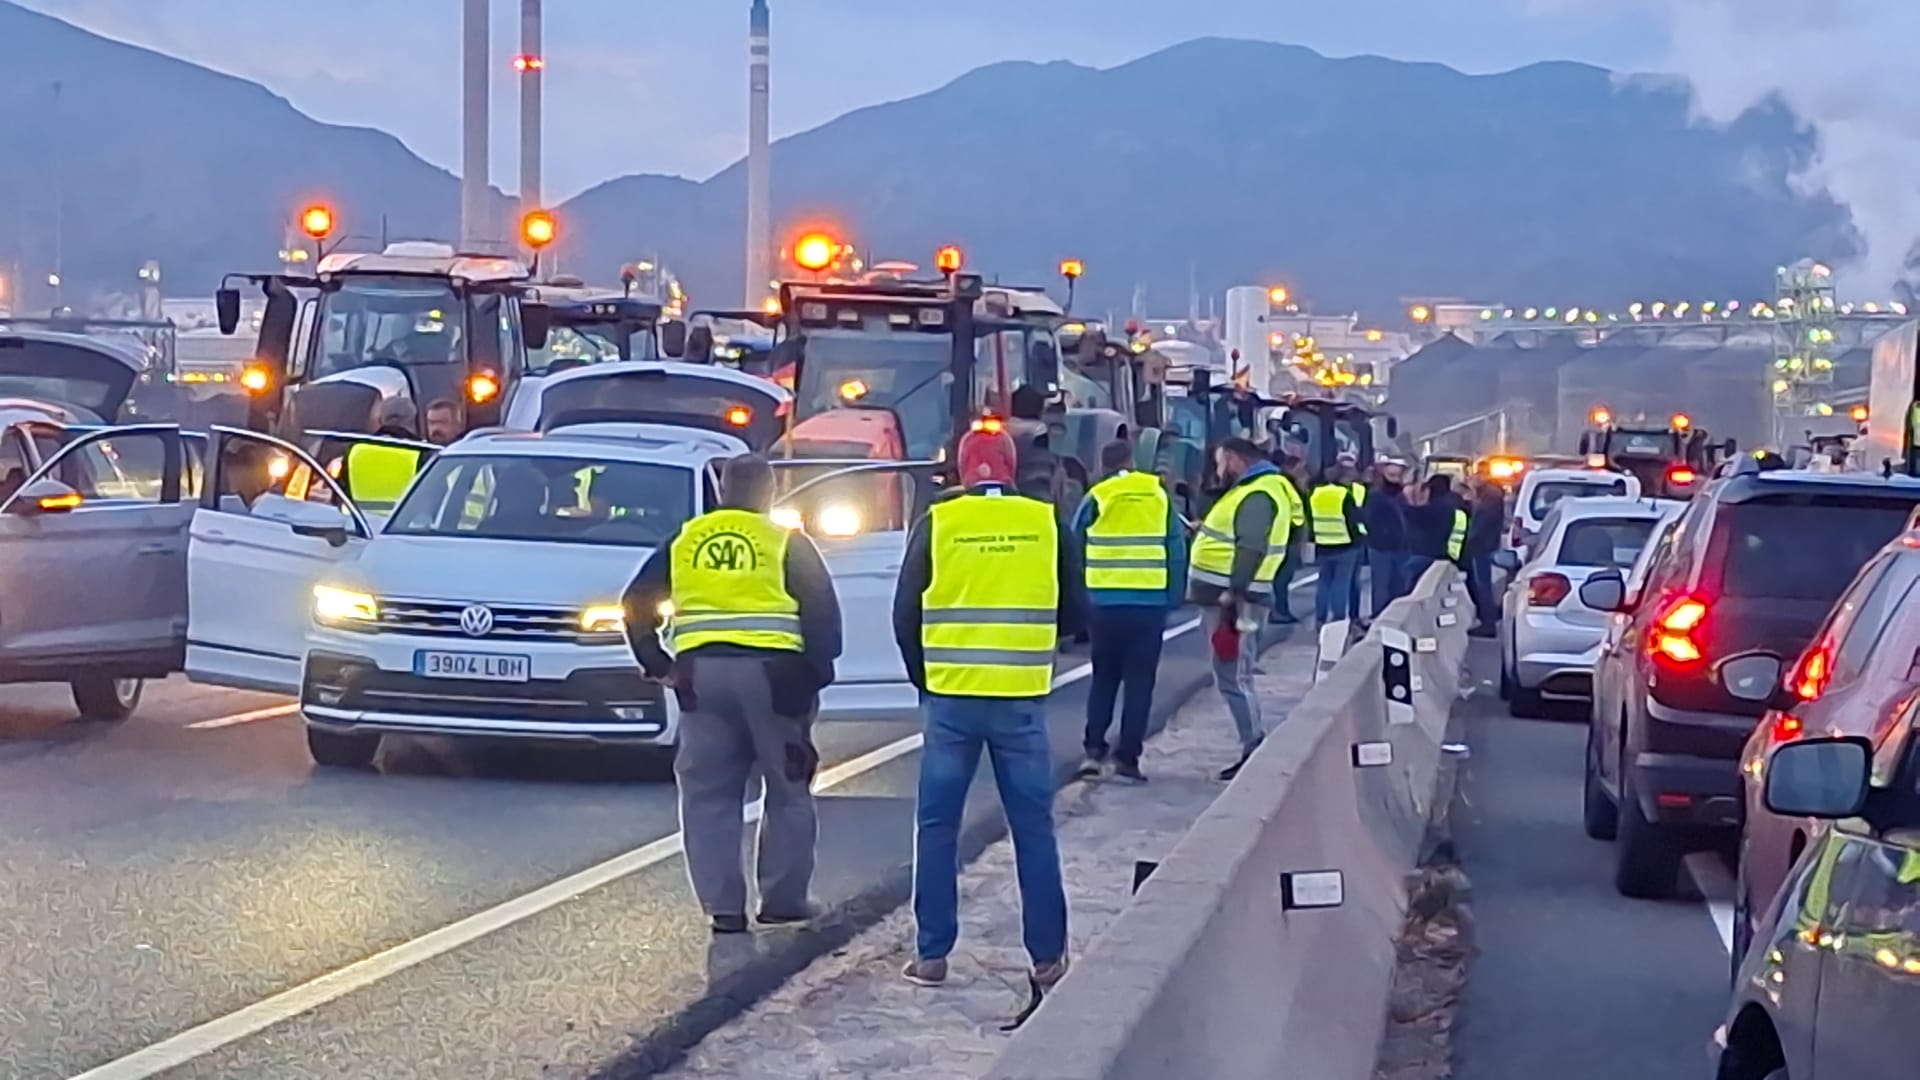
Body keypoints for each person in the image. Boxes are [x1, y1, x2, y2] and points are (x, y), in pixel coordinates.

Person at [623, 454, 844, 935]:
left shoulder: (686, 540)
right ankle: (784, 899)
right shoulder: (784, 540)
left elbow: (635, 601)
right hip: (775, 679)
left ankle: (723, 908)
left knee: (707, 794)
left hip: (702, 678)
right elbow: (822, 612)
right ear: (768, 493)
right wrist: (817, 673)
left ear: (723, 491)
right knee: (787, 788)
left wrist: (656, 662)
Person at [894, 423, 1080, 993]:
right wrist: (1041, 649)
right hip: (1020, 700)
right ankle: (1047, 957)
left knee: (937, 826)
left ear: (960, 469)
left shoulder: (939, 523)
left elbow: (905, 613)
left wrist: (925, 679)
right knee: (1033, 829)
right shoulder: (1045, 523)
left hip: (951, 700)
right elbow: (1078, 607)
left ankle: (932, 955)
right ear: (1011, 466)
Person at [1073, 439, 1186, 784]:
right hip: (1149, 604)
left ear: (1104, 464)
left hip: (1104, 604)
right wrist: (1174, 596)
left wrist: (1080, 598)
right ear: (1134, 461)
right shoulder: (1158, 495)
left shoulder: (1098, 496)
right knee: (1140, 683)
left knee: (1104, 677)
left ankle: (1093, 751)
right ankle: (1128, 759)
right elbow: (1176, 548)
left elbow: (1075, 543)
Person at [1187, 437, 1292, 780]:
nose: (1219, 469)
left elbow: (1251, 546)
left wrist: (1233, 591)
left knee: (1233, 675)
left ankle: (1254, 747)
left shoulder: (1258, 493)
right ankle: (1253, 745)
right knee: (1234, 673)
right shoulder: (1259, 489)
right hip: (1237, 599)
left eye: (1220, 461)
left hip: (1237, 602)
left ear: (1233, 458)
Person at [1308, 465, 1366, 626]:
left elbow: (1310, 518)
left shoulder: (1316, 494)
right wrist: (1359, 539)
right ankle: (1338, 619)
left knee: (1324, 583)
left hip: (1322, 544)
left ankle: (1320, 618)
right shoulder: (1344, 496)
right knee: (1342, 583)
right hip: (1345, 545)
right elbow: (1353, 521)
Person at [1268, 454, 1310, 625]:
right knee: (1281, 578)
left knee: (1284, 578)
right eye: (1301, 468)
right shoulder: (1287, 486)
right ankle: (1278, 610)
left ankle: (1281, 609)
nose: (1304, 472)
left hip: (1291, 537)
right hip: (1287, 538)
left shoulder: (1291, 485)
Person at [1363, 473, 1410, 619]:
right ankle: (1382, 617)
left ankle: (1392, 616)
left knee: (1395, 584)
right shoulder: (1379, 498)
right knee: (1384, 585)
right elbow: (1370, 521)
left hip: (1396, 546)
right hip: (1382, 547)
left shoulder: (1400, 497)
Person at [1464, 479, 1506, 638]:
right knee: (1482, 584)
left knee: (1483, 586)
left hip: (1482, 546)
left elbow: (1481, 523)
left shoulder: (1489, 496)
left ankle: (1488, 623)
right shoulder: (1489, 494)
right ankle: (1488, 618)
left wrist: (1471, 540)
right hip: (1484, 544)